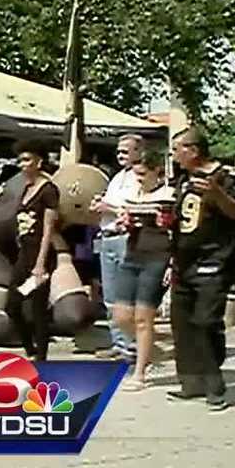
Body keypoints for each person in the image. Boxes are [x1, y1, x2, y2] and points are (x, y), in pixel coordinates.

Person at [166, 127, 235, 411]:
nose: (174, 156)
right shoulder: (183, 180)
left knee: (205, 321)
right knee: (182, 322)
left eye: (177, 150)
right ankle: (190, 382)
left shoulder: (225, 176)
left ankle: (214, 385)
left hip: (214, 261)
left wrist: (216, 194)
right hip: (183, 261)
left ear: (194, 150)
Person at [110, 150, 174, 390]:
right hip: (133, 252)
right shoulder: (133, 193)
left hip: (157, 256)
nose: (139, 179)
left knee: (143, 318)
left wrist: (172, 263)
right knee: (121, 316)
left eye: (142, 174)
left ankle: (140, 373)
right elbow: (130, 223)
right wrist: (125, 223)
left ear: (157, 171)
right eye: (136, 174)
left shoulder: (168, 195)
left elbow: (176, 231)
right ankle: (151, 351)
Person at [89, 134, 145, 361]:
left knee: (126, 295)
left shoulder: (141, 177)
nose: (120, 155)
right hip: (107, 236)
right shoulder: (117, 177)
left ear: (138, 152)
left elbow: (135, 208)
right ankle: (119, 342)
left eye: (126, 151)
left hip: (125, 238)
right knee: (110, 296)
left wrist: (107, 207)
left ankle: (132, 345)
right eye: (119, 151)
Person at [5, 139, 61, 362]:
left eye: (27, 160)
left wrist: (41, 263)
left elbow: (49, 228)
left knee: (38, 309)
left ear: (39, 162)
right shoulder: (26, 189)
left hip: (41, 254)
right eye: (20, 160)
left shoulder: (48, 190)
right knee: (12, 305)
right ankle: (29, 347)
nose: (22, 165)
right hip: (24, 253)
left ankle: (42, 358)